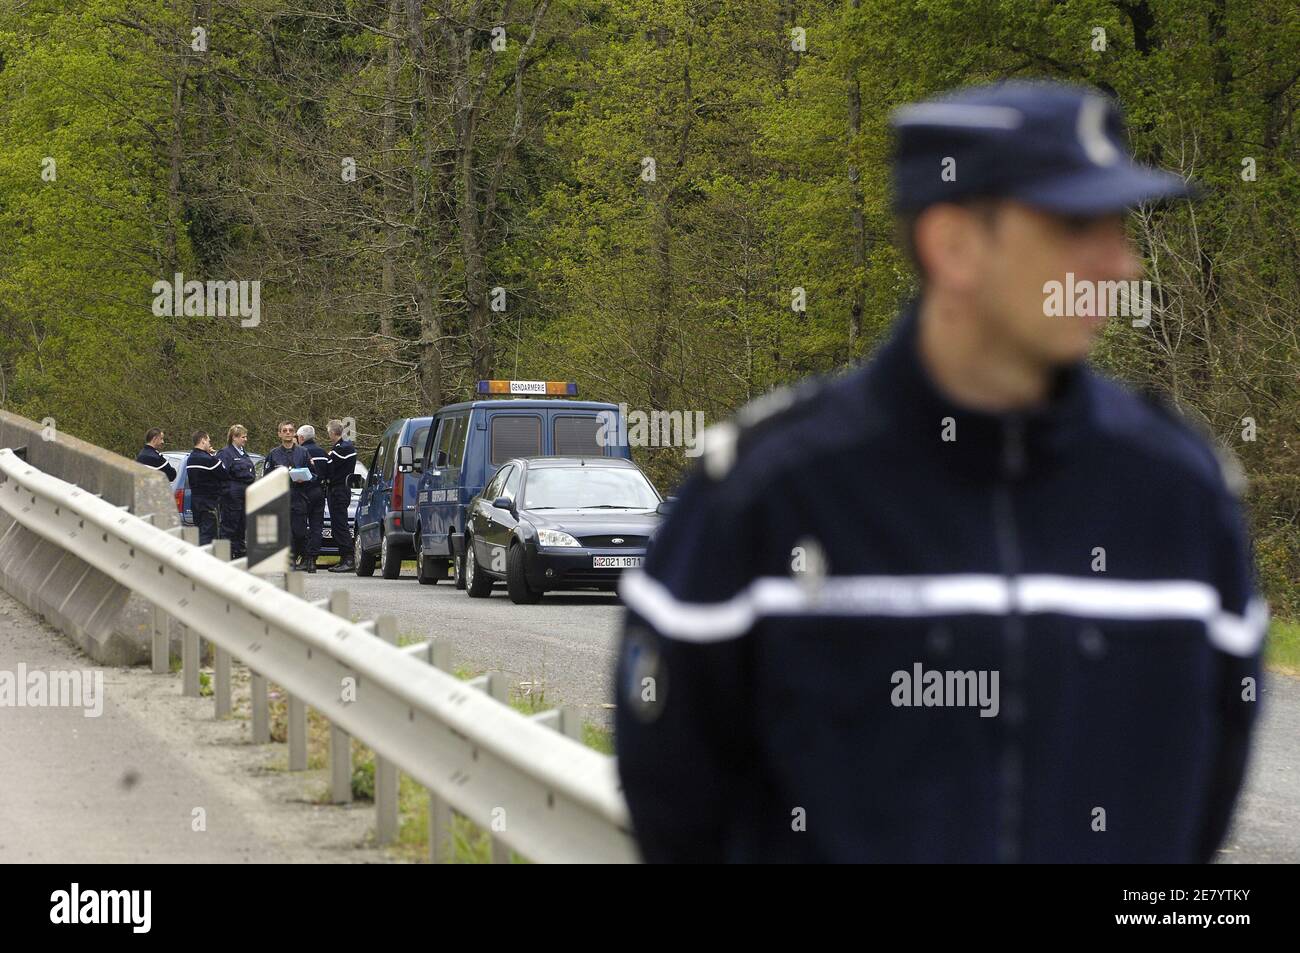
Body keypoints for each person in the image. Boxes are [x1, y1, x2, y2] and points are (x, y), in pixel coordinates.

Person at [613, 80, 1266, 863]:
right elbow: (676, 805)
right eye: (1074, 224)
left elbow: (1204, 801)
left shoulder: (1179, 494)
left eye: (1118, 226)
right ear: (952, 245)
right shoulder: (769, 493)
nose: (1121, 265)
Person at [264, 420, 312, 569]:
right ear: (279, 434)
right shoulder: (273, 454)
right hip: (282, 498)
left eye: (290, 430)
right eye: (284, 430)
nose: (288, 433)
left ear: (295, 433)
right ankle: (289, 560)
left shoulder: (303, 452)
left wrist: (304, 478)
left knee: (299, 533)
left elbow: (314, 475)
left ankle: (300, 555)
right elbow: (266, 477)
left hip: (299, 497)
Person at [216, 424, 257, 559]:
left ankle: (239, 549)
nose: (245, 439)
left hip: (245, 493)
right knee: (229, 524)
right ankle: (225, 552)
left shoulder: (243, 453)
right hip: (232, 494)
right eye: (243, 437)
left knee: (241, 523)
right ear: (234, 437)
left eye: (246, 437)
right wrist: (227, 492)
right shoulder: (225, 453)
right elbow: (222, 474)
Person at [295, 424, 330, 574]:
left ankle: (303, 556)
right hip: (319, 493)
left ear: (301, 438)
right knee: (317, 527)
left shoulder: (301, 453)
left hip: (303, 493)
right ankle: (312, 561)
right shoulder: (323, 452)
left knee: (300, 526)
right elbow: (330, 472)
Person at [324, 419, 358, 572]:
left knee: (340, 525)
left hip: (339, 489)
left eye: (329, 432)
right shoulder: (341, 447)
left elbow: (329, 466)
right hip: (337, 489)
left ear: (332, 432)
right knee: (337, 525)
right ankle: (344, 557)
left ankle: (349, 559)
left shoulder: (343, 448)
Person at [184, 431, 227, 546]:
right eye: (208, 440)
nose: (209, 443)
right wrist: (213, 455)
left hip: (196, 502)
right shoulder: (208, 459)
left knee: (199, 532)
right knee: (209, 535)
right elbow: (224, 473)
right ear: (203, 440)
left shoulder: (190, 458)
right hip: (209, 503)